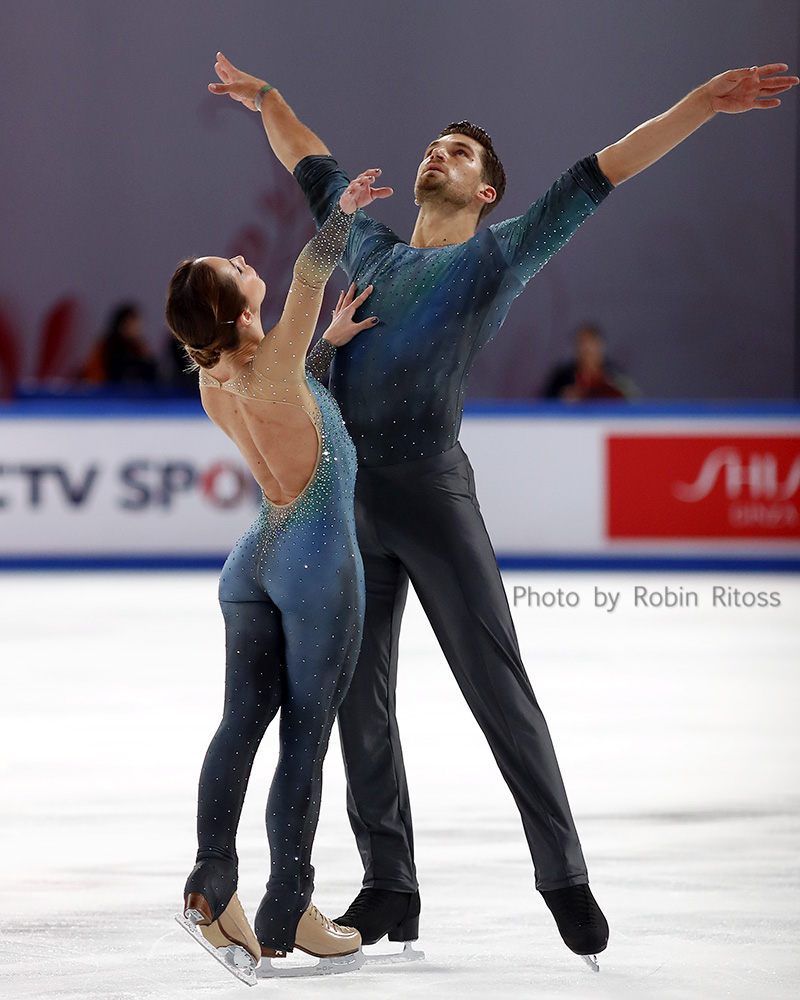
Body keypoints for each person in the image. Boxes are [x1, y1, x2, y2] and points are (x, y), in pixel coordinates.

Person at [207, 54, 798, 965]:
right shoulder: (368, 247)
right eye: (435, 145)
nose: (438, 153)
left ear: (487, 193)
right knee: (360, 701)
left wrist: (701, 104)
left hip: (434, 498)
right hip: (350, 503)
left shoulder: (498, 255)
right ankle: (390, 882)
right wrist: (266, 99)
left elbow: (605, 169)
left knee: (496, 687)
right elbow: (307, 158)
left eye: (460, 152)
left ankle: (563, 876)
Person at [165, 160, 392, 982]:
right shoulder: (272, 364)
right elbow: (310, 271)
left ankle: (211, 876)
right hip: (314, 564)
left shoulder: (217, 378)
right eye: (231, 268)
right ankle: (288, 903)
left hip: (254, 562)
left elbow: (287, 408)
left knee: (240, 722)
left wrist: (324, 345)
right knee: (305, 734)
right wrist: (345, 211)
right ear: (236, 309)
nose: (240, 257)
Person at [543, 323, 637, 400]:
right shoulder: (563, 376)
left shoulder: (615, 374)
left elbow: (633, 400)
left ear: (600, 347)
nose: (587, 351)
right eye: (582, 345)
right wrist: (562, 397)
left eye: (591, 347)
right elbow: (544, 403)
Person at [81, 303, 158, 385]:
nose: (132, 328)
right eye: (128, 324)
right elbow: (93, 376)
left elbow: (152, 374)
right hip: (108, 390)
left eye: (135, 324)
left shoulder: (140, 347)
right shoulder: (105, 346)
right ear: (120, 324)